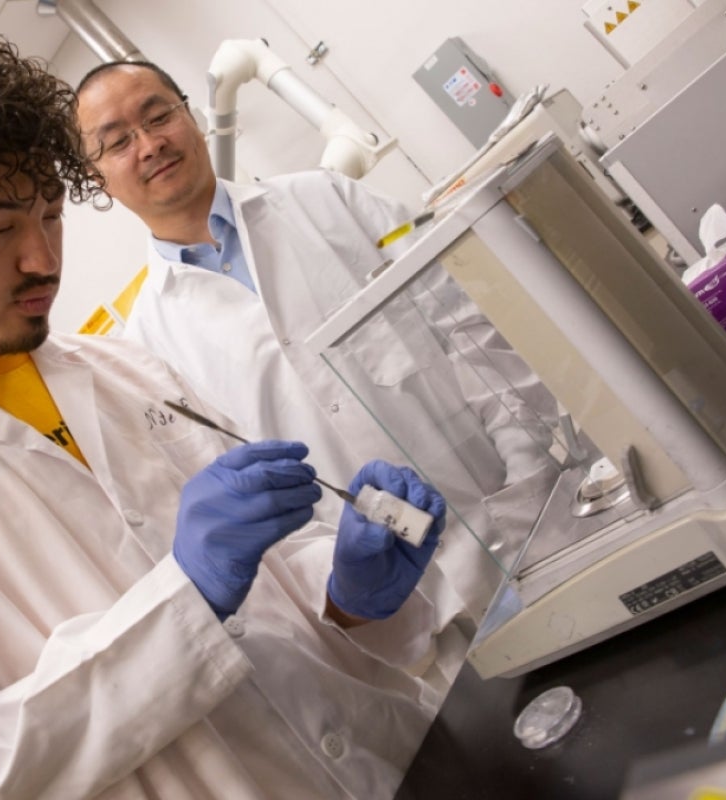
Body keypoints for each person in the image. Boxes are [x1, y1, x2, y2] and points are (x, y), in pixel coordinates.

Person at [0, 30, 451, 800]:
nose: (42, 259)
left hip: (399, 758)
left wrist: (349, 593)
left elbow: (274, 587)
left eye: (52, 216)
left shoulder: (124, 368)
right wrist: (183, 605)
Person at [75, 61, 565, 698]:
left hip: (538, 526)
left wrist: (533, 486)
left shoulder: (331, 200)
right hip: (421, 633)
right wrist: (360, 597)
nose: (149, 144)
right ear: (99, 177)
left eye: (159, 114)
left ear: (189, 114)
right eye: (116, 141)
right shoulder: (147, 350)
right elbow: (259, 528)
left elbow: (472, 332)